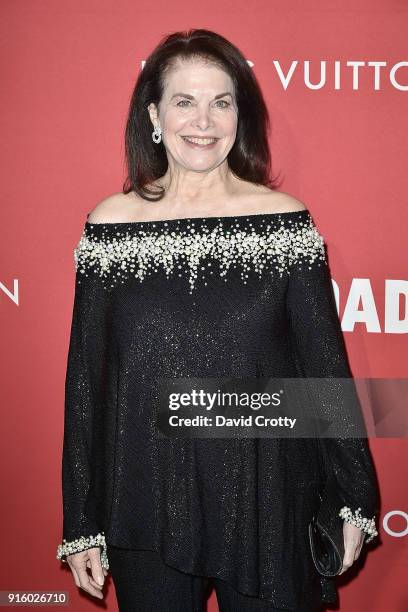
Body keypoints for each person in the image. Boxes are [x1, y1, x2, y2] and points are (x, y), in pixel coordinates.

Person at [56, 29, 380, 612]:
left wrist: (354, 497)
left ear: (240, 115)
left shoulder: (283, 221)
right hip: (145, 501)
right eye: (185, 101)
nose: (203, 121)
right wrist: (81, 518)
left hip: (267, 494)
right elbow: (87, 386)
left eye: (221, 102)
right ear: (154, 113)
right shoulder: (110, 225)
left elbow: (323, 368)